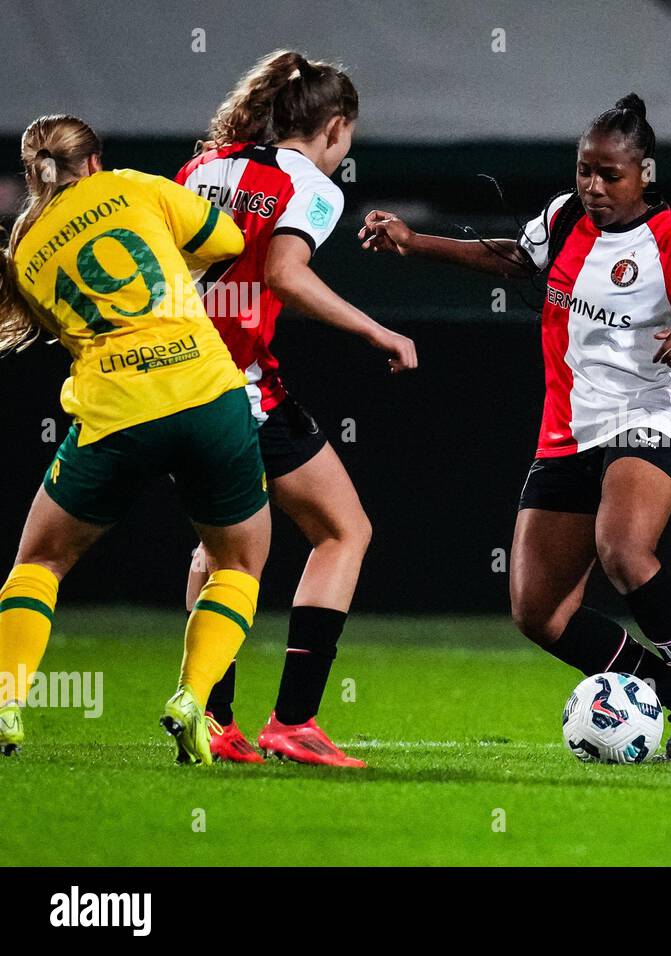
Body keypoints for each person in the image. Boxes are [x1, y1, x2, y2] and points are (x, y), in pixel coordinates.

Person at [358, 94, 671, 755]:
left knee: (623, 550)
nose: (594, 187)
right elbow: (517, 259)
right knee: (539, 613)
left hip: (647, 415)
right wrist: (414, 240)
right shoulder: (566, 215)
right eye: (584, 171)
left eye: (610, 175)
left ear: (645, 174)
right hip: (570, 427)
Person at [0, 114, 269, 765]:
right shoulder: (132, 186)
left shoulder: (26, 252)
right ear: (92, 161)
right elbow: (228, 238)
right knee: (237, 564)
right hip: (207, 392)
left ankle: (7, 703)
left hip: (118, 409)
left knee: (38, 563)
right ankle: (190, 700)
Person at [175, 50, 418, 767]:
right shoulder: (309, 183)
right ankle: (294, 720)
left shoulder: (202, 168)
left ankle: (211, 717)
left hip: (174, 380)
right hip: (241, 386)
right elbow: (285, 273)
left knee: (216, 550)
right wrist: (377, 328)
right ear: (335, 128)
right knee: (343, 531)